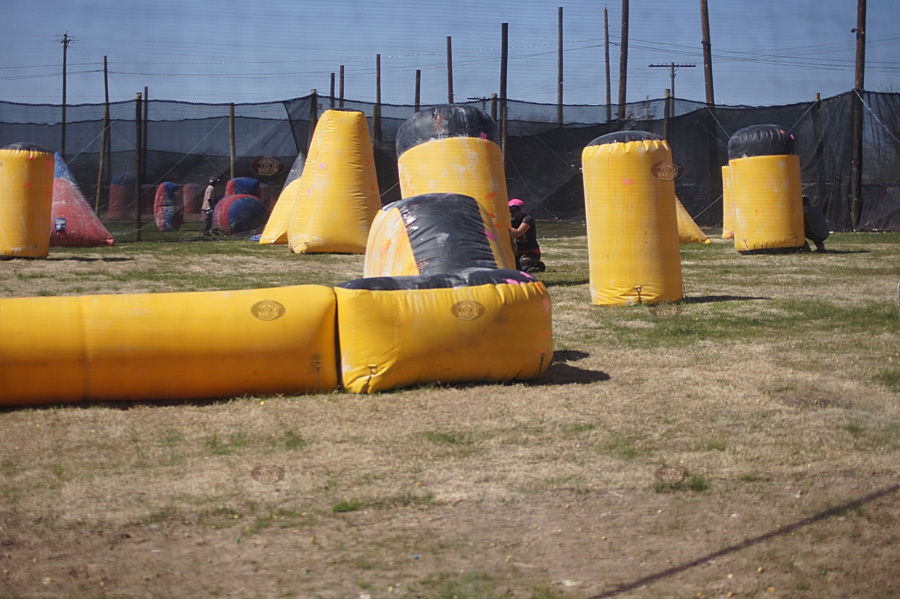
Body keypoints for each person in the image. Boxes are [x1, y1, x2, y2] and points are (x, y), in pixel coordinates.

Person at [508, 198, 545, 273]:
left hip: (531, 252)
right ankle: (534, 264)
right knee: (512, 266)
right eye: (511, 209)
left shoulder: (528, 219)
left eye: (514, 208)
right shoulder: (511, 221)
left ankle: (539, 267)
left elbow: (518, 233)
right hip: (519, 253)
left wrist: (505, 225)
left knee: (522, 268)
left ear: (520, 209)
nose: (512, 211)